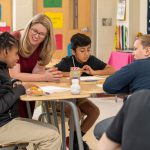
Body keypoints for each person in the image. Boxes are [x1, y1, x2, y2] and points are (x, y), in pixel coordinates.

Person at [0, 32, 61, 150]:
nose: (18, 58)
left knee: (53, 129)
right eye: (16, 54)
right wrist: (20, 88)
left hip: (6, 121)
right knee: (52, 136)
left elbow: (3, 85)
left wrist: (15, 83)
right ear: (5, 52)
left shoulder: (3, 67)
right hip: (3, 125)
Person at [55, 33, 115, 150]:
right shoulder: (67, 61)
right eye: (82, 51)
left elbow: (112, 69)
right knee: (75, 111)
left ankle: (75, 139)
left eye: (88, 50)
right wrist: (71, 73)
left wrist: (94, 72)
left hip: (79, 98)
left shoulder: (91, 60)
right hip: (63, 98)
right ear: (73, 51)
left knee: (94, 111)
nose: (86, 54)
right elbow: (53, 71)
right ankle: (75, 142)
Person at [94, 34, 150, 140]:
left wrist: (130, 86)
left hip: (138, 122)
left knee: (100, 130)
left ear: (147, 51)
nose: (133, 53)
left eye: (135, 49)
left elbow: (108, 86)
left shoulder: (136, 65)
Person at [10, 14, 63, 118]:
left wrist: (49, 75)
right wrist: (44, 77)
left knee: (27, 119)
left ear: (47, 36)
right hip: (10, 88)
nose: (37, 36)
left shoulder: (44, 46)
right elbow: (13, 74)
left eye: (42, 34)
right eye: (34, 31)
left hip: (27, 86)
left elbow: (37, 74)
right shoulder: (15, 39)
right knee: (16, 121)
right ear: (29, 27)